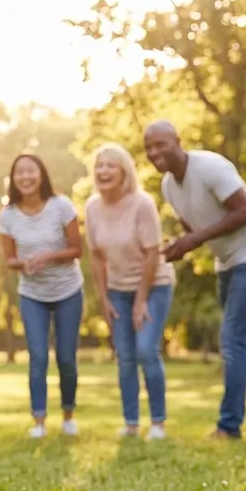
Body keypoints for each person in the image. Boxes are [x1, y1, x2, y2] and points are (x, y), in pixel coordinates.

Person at [143, 120, 246, 439]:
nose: (154, 152)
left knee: (233, 340)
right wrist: (181, 245)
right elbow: (196, 228)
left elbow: (244, 212)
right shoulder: (169, 186)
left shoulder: (210, 166)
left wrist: (193, 242)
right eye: (148, 148)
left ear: (178, 141)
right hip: (228, 262)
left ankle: (228, 426)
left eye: (161, 144)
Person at [84, 143, 177, 440]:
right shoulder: (92, 207)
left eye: (110, 165)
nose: (103, 171)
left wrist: (140, 302)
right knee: (125, 356)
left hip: (154, 285)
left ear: (124, 171)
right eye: (99, 165)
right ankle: (132, 423)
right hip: (117, 289)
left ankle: (159, 423)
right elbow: (96, 257)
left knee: (146, 351)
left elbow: (152, 254)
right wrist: (104, 298)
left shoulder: (142, 203)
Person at [0, 154, 86, 439]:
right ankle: (39, 421)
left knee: (67, 358)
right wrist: (24, 264)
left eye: (30, 171)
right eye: (19, 172)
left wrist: (49, 257)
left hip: (67, 290)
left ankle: (68, 415)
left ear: (41, 174)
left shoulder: (61, 206)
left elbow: (77, 250)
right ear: (13, 178)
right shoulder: (7, 216)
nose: (25, 177)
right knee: (37, 356)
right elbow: (9, 260)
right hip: (32, 293)